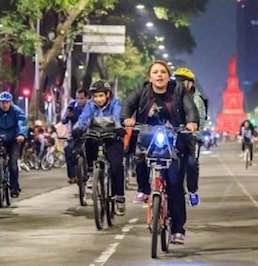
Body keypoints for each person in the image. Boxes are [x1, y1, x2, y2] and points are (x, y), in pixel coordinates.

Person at [121, 60, 198, 244]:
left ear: (168, 75)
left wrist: (192, 122)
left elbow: (190, 108)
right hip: (147, 136)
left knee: (174, 186)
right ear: (150, 77)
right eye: (155, 72)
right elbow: (127, 105)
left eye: (163, 71)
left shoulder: (179, 90)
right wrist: (126, 118)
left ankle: (178, 230)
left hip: (174, 139)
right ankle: (144, 189)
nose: (159, 75)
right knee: (140, 159)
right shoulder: (142, 91)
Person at [72, 80, 127, 215]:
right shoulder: (90, 105)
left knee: (116, 166)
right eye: (95, 96)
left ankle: (119, 197)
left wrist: (119, 128)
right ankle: (91, 173)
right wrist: (77, 129)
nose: (98, 99)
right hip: (96, 136)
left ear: (108, 95)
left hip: (113, 137)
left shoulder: (116, 103)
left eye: (101, 96)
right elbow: (83, 119)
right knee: (88, 141)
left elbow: (117, 117)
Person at [173, 67, 207, 207]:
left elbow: (201, 119)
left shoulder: (196, 99)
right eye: (177, 81)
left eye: (183, 81)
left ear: (190, 83)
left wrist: (194, 130)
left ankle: (192, 191)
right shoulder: (168, 95)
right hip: (171, 136)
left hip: (189, 136)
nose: (180, 84)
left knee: (191, 163)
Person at [0, 91, 28, 198]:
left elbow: (21, 122)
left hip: (14, 139)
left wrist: (21, 134)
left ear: (11, 102)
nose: (5, 105)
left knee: (13, 164)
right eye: (2, 102)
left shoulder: (17, 111)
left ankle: (14, 188)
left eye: (7, 102)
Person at [62, 89, 89, 183]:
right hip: (74, 134)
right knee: (67, 149)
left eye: (82, 98)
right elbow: (64, 120)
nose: (79, 100)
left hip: (88, 133)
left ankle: (89, 173)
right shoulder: (72, 105)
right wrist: (68, 115)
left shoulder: (91, 106)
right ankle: (72, 176)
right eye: (77, 98)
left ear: (87, 98)